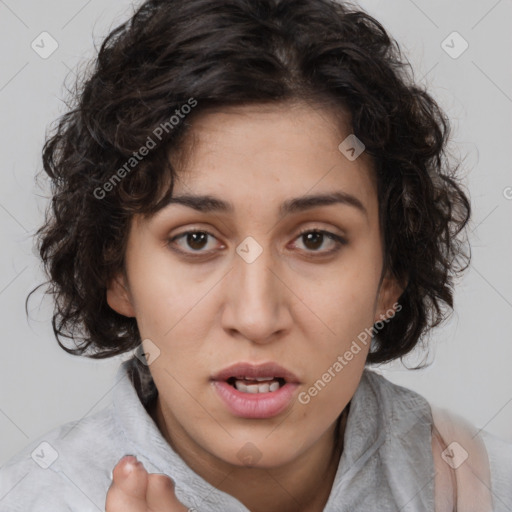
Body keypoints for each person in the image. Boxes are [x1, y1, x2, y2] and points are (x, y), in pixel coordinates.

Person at [0, 0, 510, 510]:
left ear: (390, 275)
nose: (257, 316)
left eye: (315, 239)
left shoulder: (477, 486)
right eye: (196, 239)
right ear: (117, 273)